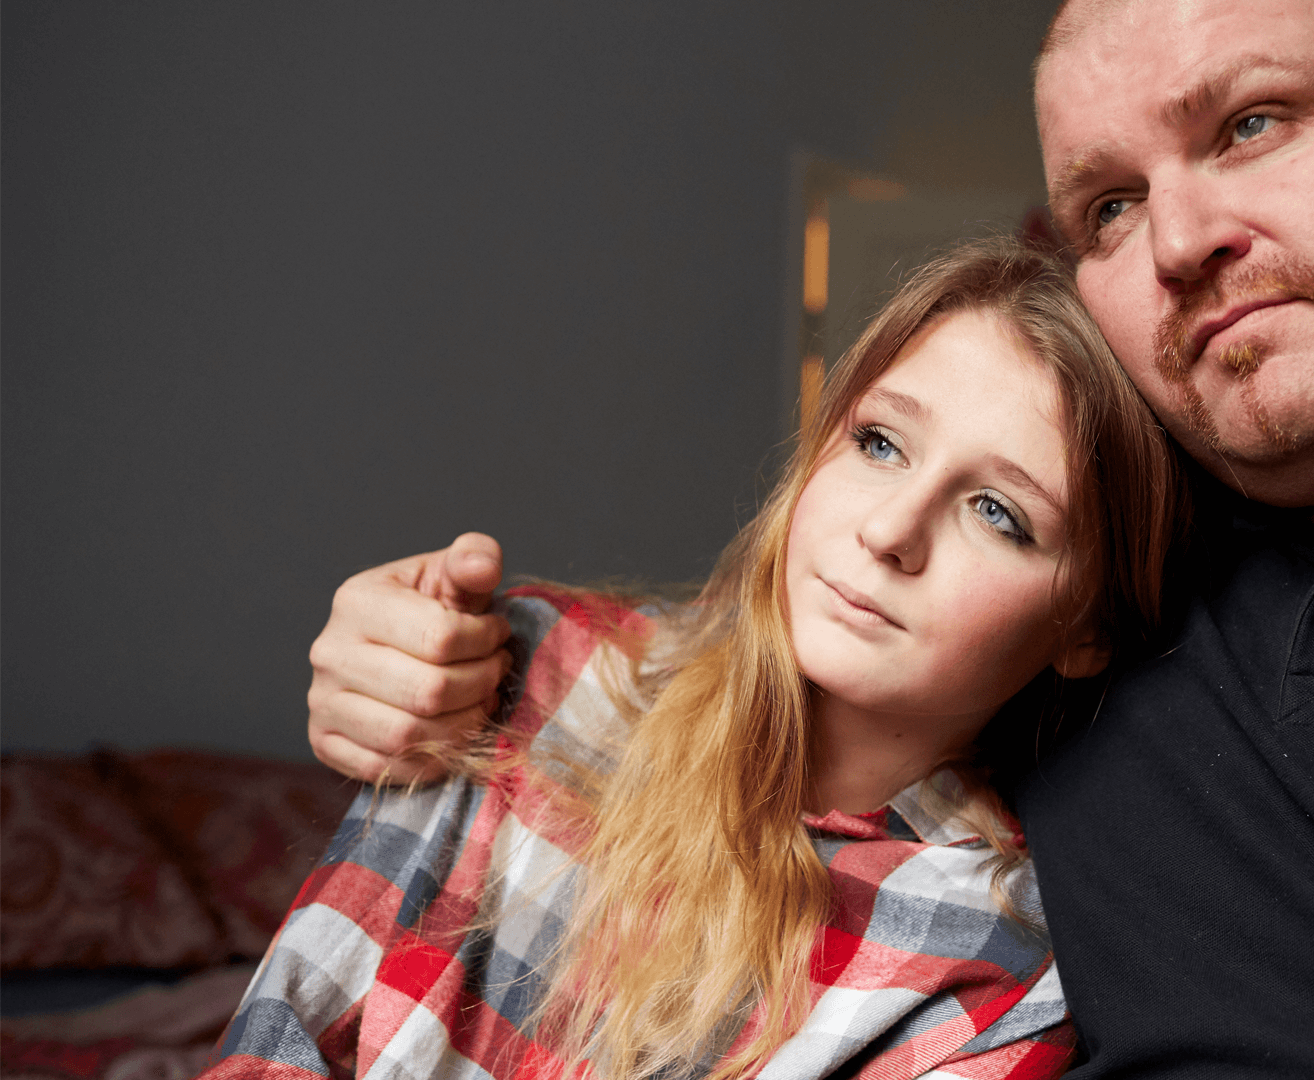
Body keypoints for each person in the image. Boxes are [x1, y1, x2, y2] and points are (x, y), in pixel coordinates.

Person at [304, 1, 1314, 1076]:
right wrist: (446, 656)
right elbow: (757, 678)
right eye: (1109, 206)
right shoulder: (1110, 558)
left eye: (1253, 123)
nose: (1185, 240)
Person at [213, 237, 1184, 1079]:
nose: (890, 530)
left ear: (1087, 629)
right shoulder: (536, 671)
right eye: (880, 443)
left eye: (998, 513)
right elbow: (284, 1032)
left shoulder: (998, 972)